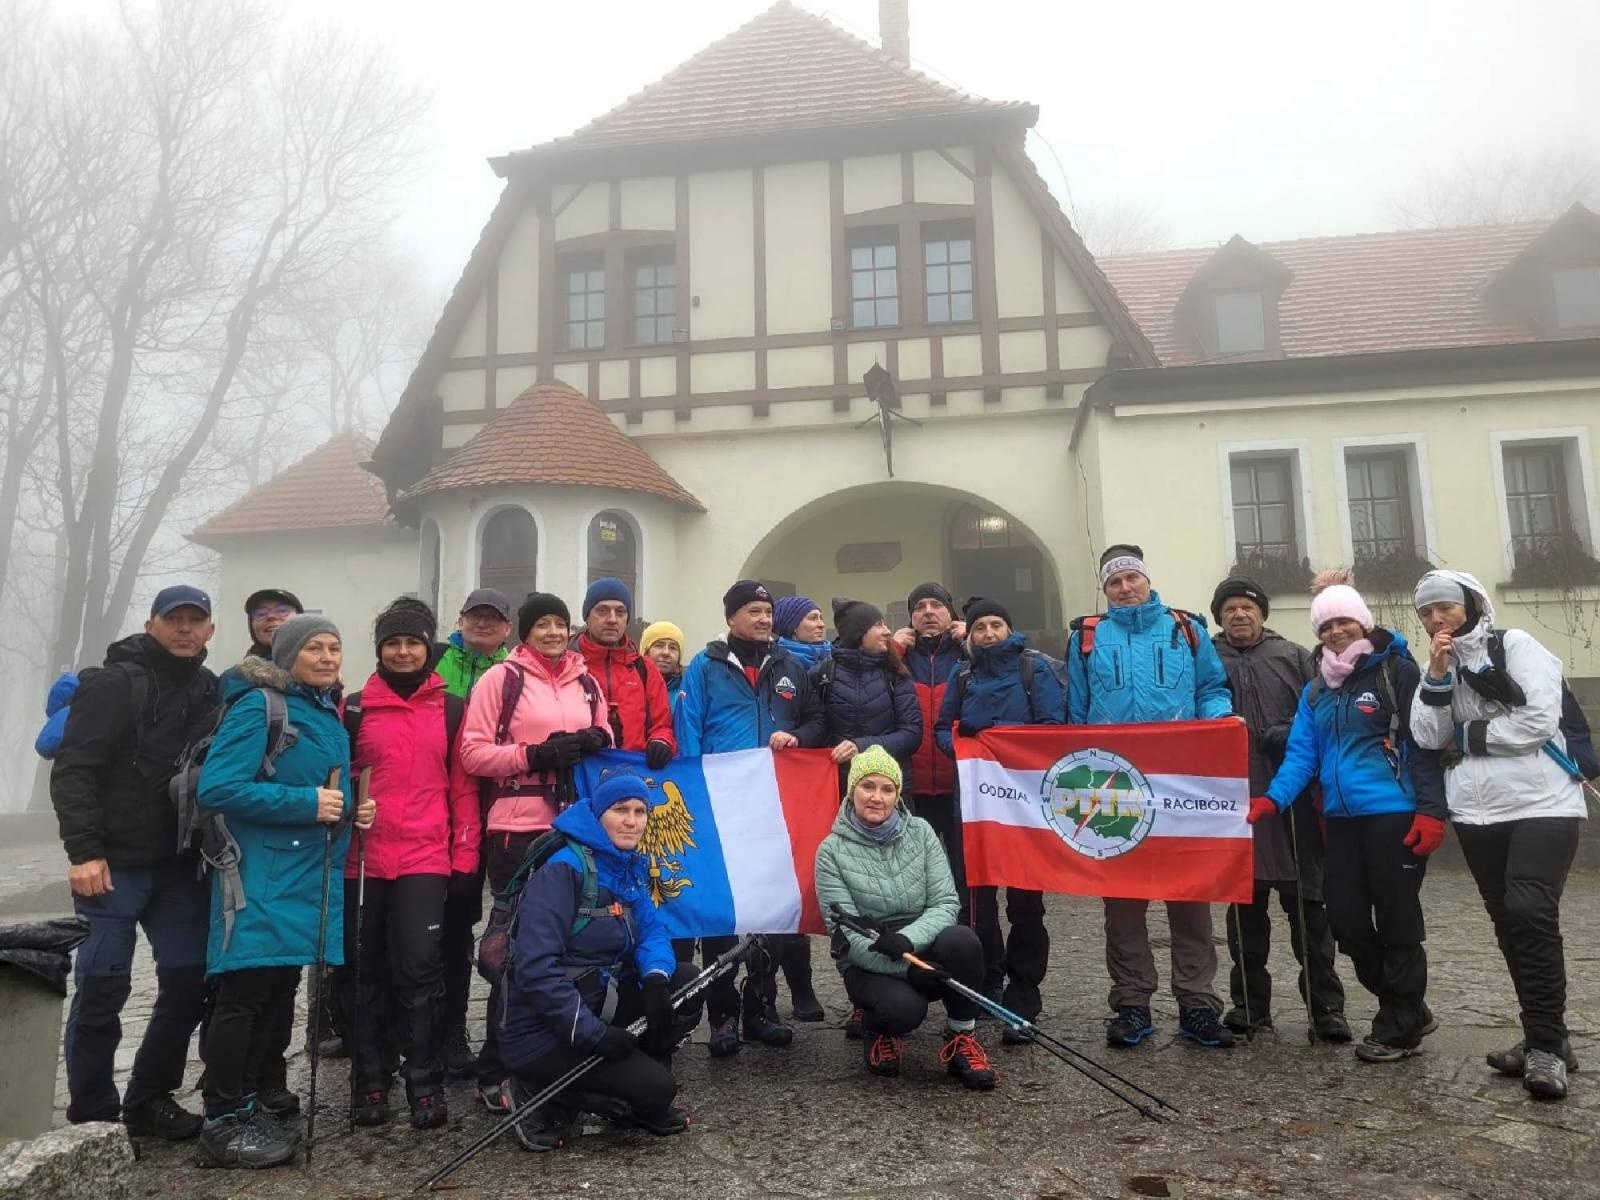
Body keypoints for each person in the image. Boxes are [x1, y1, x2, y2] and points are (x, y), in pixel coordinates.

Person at [194, 615, 372, 1169]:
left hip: (303, 872)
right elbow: (218, 787)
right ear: (287, 655)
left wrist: (348, 809)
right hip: (258, 876)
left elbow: (325, 790)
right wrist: (307, 804)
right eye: (314, 648)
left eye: (334, 647)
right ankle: (222, 1119)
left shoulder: (324, 711)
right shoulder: (260, 706)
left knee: (276, 990)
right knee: (242, 994)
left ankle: (251, 1100)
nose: (326, 656)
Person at [1251, 570, 1446, 1064]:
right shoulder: (1318, 690)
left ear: (1362, 623)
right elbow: (1302, 755)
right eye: (1325, 627)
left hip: (1393, 814)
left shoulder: (1395, 673)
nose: (1335, 633)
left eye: (1343, 622)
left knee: (1398, 922)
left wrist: (1430, 811)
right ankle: (1409, 1006)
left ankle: (1398, 1027)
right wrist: (1272, 800)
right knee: (1346, 922)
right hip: (1339, 820)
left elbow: (1424, 743)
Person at [1409, 569, 1585, 1099]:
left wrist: (1467, 735)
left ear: (1471, 605)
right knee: (1509, 922)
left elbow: (1537, 719)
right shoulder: (1436, 665)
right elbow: (1426, 735)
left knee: (1531, 909)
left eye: (1447, 607)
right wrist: (1438, 679)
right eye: (1427, 612)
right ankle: (1545, 1035)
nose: (1437, 619)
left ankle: (1549, 1050)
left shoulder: (1516, 645)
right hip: (1477, 810)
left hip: (1543, 801)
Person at [52, 586, 220, 1138]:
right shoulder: (111, 684)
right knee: (103, 984)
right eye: (175, 619)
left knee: (188, 979)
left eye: (196, 621)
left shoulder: (208, 688)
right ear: (152, 624)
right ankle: (93, 1114)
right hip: (112, 866)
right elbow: (74, 769)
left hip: (178, 866)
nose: (185, 629)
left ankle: (149, 1096)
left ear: (210, 631)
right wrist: (84, 852)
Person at [1067, 545, 1236, 1050]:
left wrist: (1217, 724)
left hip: (1179, 781)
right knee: (1123, 903)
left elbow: (1212, 687)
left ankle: (1198, 1004)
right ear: (1105, 589)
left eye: (1132, 579)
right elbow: (1077, 714)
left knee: (1189, 896)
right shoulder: (1087, 638)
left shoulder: (1185, 629)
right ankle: (1133, 1003)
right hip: (1113, 786)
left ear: (1146, 580)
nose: (1125, 588)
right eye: (1115, 582)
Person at [459, 592, 611, 1110]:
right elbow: (472, 752)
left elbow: (606, 734)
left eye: (559, 624)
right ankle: (495, 1068)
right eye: (541, 624)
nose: (551, 632)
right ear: (524, 632)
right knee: (516, 950)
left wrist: (594, 739)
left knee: (565, 948)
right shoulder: (501, 680)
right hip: (518, 827)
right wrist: (536, 754)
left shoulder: (585, 681)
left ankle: (548, 1057)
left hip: (575, 826)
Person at [498, 770, 705, 1151]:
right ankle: (535, 1092)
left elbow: (653, 932)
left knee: (685, 980)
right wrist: (591, 1034)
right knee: (659, 1091)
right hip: (541, 1030)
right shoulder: (563, 869)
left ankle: (636, 1084)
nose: (631, 821)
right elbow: (536, 968)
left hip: (597, 1002)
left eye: (640, 811)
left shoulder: (628, 864)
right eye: (620, 810)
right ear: (598, 814)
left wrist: (656, 978)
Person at [343, 598, 481, 1130]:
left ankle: (424, 1079)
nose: (403, 652)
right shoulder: (354, 708)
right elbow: (339, 780)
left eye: (413, 642)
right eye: (393, 643)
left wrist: (465, 858)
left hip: (426, 857)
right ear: (380, 650)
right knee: (363, 973)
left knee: (421, 972)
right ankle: (369, 1081)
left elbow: (463, 790)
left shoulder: (451, 709)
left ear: (429, 648)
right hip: (364, 859)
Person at [674, 579, 826, 1056]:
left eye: (767, 611)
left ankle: (762, 1006)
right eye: (753, 611)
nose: (762, 619)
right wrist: (696, 797)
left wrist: (797, 738)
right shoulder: (705, 665)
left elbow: (817, 720)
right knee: (720, 909)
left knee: (773, 908)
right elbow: (688, 730)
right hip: (722, 803)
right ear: (731, 618)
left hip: (774, 805)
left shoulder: (790, 666)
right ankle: (723, 1016)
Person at [1209, 576, 1349, 1041]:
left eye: (1247, 607)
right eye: (1229, 609)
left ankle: (1326, 1009)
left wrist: (1286, 732)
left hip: (1295, 804)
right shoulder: (1207, 658)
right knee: (1244, 918)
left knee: (1309, 914)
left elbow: (1324, 711)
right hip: (1235, 804)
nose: (1239, 615)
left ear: (1262, 614)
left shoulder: (1293, 656)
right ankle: (1249, 1007)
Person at [815, 746, 997, 1090]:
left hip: (918, 940)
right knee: (903, 1012)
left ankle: (961, 1036)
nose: (876, 798)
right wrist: (908, 969)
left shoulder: (922, 832)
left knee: (964, 942)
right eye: (868, 786)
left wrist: (913, 944)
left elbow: (945, 901)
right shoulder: (830, 852)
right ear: (852, 790)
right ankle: (876, 1026)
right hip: (870, 955)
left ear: (898, 794)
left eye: (887, 789)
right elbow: (848, 937)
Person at [935, 597, 1063, 1044]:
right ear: (968, 635)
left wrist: (1011, 754)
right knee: (977, 902)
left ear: (1009, 629)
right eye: (980, 628)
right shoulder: (962, 674)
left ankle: (1023, 993)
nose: (988, 634)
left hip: (1023, 804)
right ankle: (985, 981)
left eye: (996, 624)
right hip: (973, 803)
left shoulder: (1034, 669)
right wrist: (967, 756)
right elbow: (943, 727)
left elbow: (1051, 727)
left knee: (1026, 902)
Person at [805, 597, 923, 1025]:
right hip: (842, 798)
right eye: (878, 626)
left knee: (894, 889)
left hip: (888, 793)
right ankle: (860, 986)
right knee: (851, 892)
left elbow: (911, 733)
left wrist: (866, 747)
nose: (886, 632)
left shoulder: (896, 674)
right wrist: (796, 739)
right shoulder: (823, 674)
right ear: (858, 632)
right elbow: (817, 724)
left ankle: (900, 975)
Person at [432, 586, 513, 1080]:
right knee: (450, 926)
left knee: (503, 921)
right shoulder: (437, 661)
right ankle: (446, 1030)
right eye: (475, 617)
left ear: (508, 627)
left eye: (494, 618)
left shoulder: (516, 671)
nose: (483, 625)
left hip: (501, 810)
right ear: (461, 620)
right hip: (444, 808)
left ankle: (495, 1031)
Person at [892, 583, 968, 916]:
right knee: (914, 881)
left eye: (936, 604)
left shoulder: (969, 650)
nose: (927, 612)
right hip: (913, 789)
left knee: (966, 880)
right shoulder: (897, 658)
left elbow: (1007, 656)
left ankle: (970, 950)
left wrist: (972, 639)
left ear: (951, 613)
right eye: (919, 606)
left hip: (960, 787)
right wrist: (892, 649)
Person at [573, 578, 676, 770]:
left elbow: (662, 724)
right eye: (602, 611)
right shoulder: (568, 665)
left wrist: (661, 741)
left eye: (620, 612)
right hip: (581, 773)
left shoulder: (644, 669)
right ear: (587, 617)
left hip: (635, 774)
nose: (612, 619)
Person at [241, 588, 303, 659]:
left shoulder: (316, 663)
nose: (271, 616)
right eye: (261, 613)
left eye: (282, 610)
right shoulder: (241, 669)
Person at [774, 595, 830, 671]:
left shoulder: (837, 658)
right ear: (793, 627)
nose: (821, 625)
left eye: (821, 618)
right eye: (813, 618)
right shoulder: (776, 664)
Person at [640, 621, 686, 699]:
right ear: (645, 652)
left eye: (673, 648)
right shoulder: (631, 685)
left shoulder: (689, 690)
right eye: (659, 646)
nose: (666, 652)